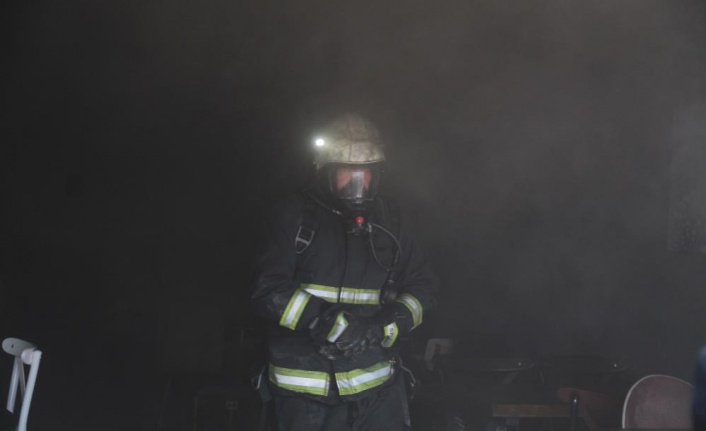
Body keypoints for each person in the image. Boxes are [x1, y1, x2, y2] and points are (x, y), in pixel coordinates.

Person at [250, 113, 440, 431]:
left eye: (365, 173)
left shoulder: (392, 221)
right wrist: (325, 321)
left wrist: (384, 326)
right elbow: (266, 289)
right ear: (325, 173)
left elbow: (425, 287)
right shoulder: (294, 215)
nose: (356, 184)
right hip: (306, 394)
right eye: (346, 173)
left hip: (377, 393)